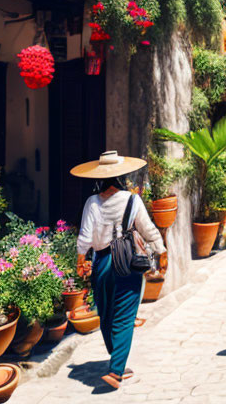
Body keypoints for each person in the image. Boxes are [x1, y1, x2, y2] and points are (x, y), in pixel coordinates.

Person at [72, 151, 168, 390]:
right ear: (121, 177)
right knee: (124, 317)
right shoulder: (132, 200)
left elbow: (84, 238)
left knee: (106, 314)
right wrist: (161, 251)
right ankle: (116, 371)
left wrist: (80, 261)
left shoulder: (92, 202)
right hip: (127, 262)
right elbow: (147, 229)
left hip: (102, 264)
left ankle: (118, 361)